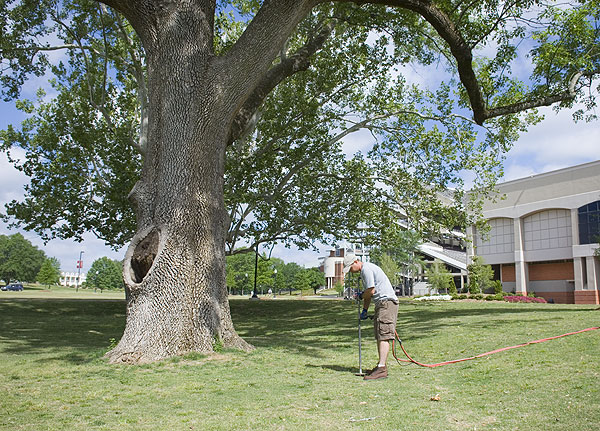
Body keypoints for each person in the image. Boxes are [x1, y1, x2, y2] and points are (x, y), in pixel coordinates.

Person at [343, 252, 399, 380]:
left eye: (351, 268)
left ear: (356, 262)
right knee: (380, 335)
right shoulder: (365, 271)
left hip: (386, 303)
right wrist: (364, 310)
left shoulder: (366, 270)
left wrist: (360, 295)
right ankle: (380, 366)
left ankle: (381, 368)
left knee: (384, 335)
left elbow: (370, 291)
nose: (351, 271)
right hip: (382, 303)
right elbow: (369, 293)